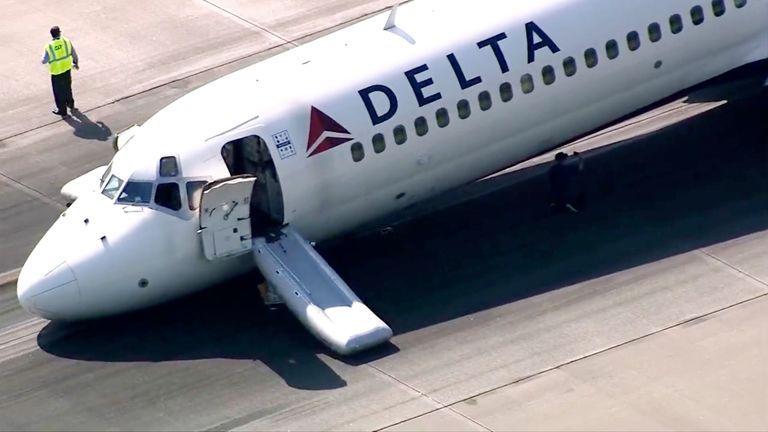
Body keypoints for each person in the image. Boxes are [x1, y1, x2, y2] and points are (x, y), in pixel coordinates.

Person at [41, 26, 79, 117]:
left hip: (56, 72)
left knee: (59, 92)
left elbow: (43, 61)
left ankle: (62, 110)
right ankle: (70, 104)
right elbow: (74, 54)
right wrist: (75, 63)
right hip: (66, 69)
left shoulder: (49, 46)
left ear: (51, 35)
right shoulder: (66, 41)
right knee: (67, 88)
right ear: (59, 33)